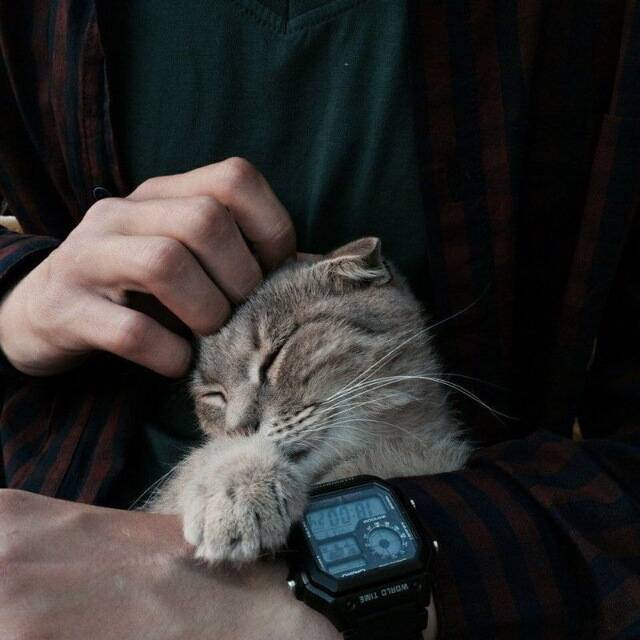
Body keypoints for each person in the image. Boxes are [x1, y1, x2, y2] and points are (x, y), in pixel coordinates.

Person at [1, 1, 639, 638]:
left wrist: (328, 595)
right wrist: (20, 296)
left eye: (275, 361)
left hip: (467, 565)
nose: (243, 421)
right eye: (216, 399)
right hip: (46, 536)